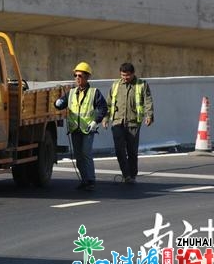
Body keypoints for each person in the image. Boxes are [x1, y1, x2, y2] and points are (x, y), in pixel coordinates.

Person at [54, 62, 108, 191]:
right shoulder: (71, 93)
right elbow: (60, 105)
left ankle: (91, 180)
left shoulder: (94, 93)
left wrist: (95, 121)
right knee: (78, 156)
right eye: (75, 75)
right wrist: (57, 103)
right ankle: (84, 180)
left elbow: (103, 108)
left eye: (80, 76)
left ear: (87, 77)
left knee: (86, 153)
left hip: (88, 129)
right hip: (75, 129)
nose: (77, 78)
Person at [103, 62, 154, 184]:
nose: (125, 78)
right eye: (122, 75)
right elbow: (108, 104)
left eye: (127, 75)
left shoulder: (141, 85)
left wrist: (149, 115)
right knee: (119, 150)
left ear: (133, 74)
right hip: (117, 122)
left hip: (133, 123)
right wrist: (105, 118)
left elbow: (148, 101)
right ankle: (126, 175)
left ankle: (132, 174)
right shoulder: (115, 85)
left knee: (132, 151)